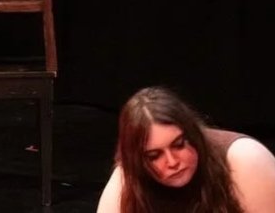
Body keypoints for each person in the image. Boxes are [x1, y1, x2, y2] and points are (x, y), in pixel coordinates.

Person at [97, 86, 275, 213]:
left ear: (193, 134)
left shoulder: (245, 158)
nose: (172, 162)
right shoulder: (127, 180)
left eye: (179, 145)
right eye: (154, 156)